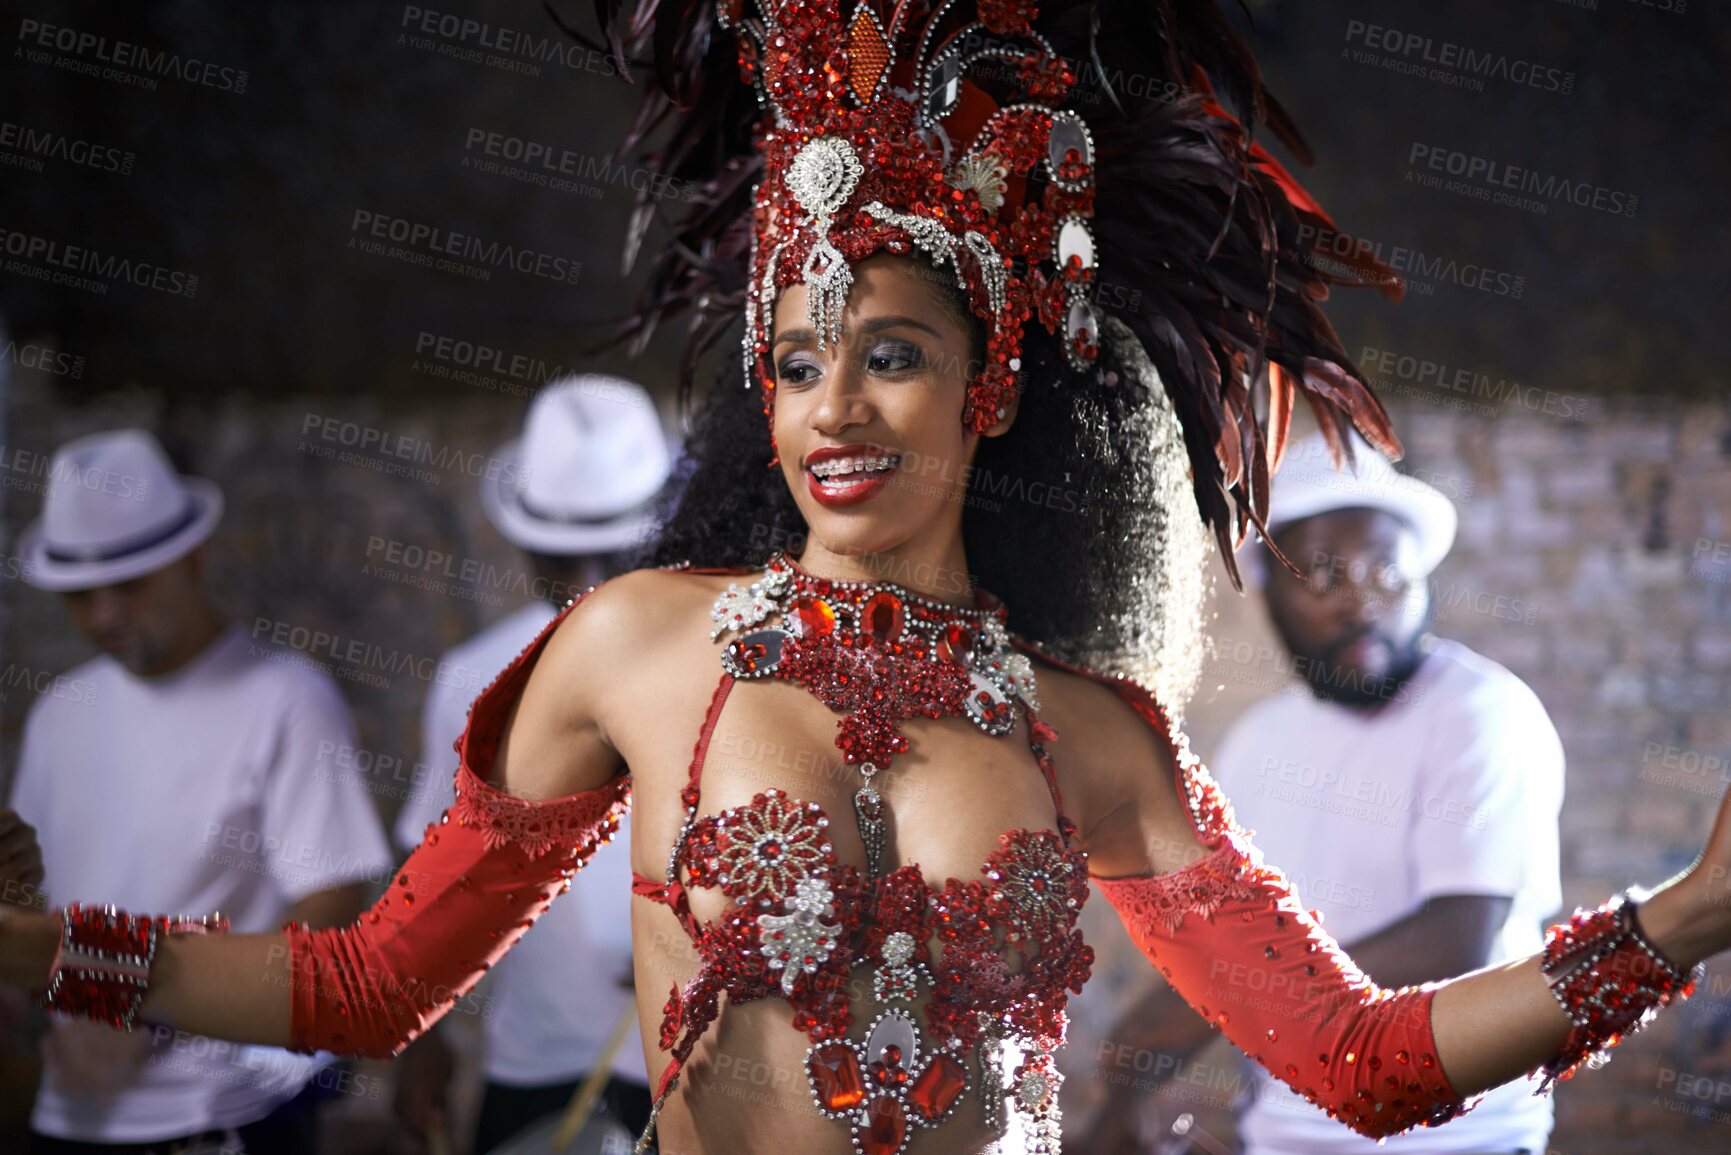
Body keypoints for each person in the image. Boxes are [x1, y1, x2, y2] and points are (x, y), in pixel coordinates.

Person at [2, 6, 1728, 1155]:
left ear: (988, 383)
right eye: (798, 355)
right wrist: (50, 954)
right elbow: (367, 986)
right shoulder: (635, 648)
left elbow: (1364, 1062)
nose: (834, 403)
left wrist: (1688, 917)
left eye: (890, 353)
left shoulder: (1091, 734)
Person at [1081, 432, 1564, 1155]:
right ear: (1270, 593)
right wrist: (1129, 1083)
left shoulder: (1479, 710)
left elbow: (1460, 933)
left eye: (1386, 573)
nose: (1360, 602)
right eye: (1320, 577)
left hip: (1453, 1139)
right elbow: (1220, 935)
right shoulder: (1257, 741)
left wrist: (1228, 1002)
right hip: (1283, 1134)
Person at [3, 429, 394, 1153]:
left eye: (130, 584)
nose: (104, 614)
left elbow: (330, 910)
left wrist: (144, 1009)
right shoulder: (61, 710)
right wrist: (32, 1008)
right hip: (75, 1110)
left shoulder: (286, 697)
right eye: (81, 595)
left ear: (194, 557)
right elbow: (33, 899)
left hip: (229, 1108)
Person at [390, 375, 671, 1150]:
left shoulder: (733, 665)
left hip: (695, 1065)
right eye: (559, 559)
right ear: (522, 544)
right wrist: (419, 1037)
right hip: (535, 1059)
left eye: (607, 557)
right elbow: (436, 873)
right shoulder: (474, 681)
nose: (583, 587)